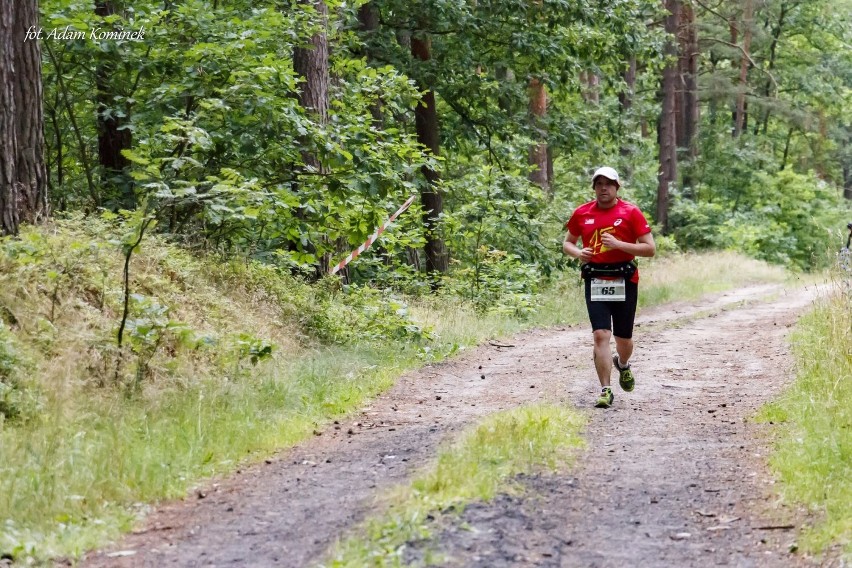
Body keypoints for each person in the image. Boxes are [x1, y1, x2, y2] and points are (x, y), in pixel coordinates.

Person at [562, 166, 656, 408]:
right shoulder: (582, 213)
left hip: (624, 279)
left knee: (623, 339)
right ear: (594, 187)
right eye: (599, 183)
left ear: (617, 187)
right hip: (595, 279)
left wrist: (619, 244)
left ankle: (622, 363)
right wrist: (578, 253)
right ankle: (605, 389)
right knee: (600, 335)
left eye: (609, 183)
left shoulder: (631, 212)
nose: (604, 188)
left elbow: (650, 249)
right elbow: (568, 243)